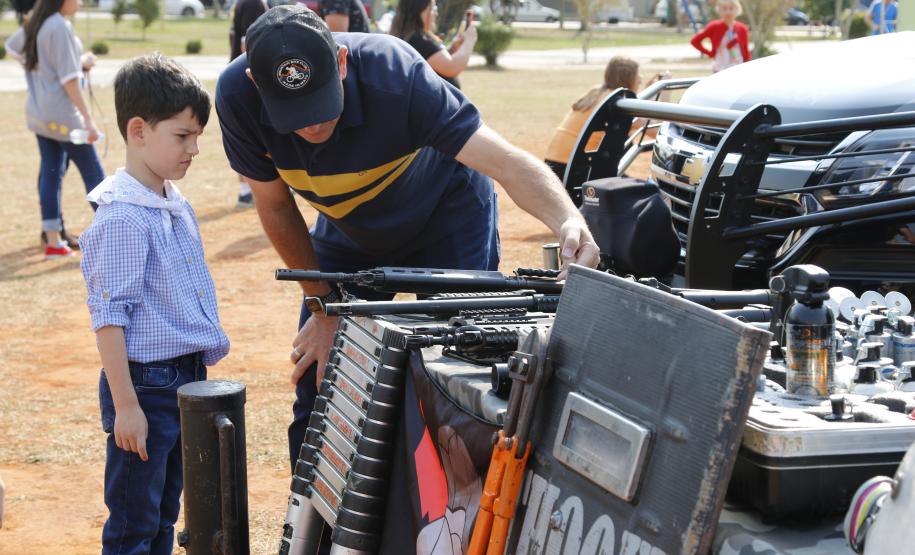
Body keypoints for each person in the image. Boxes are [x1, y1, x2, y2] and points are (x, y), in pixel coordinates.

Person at [214, 5, 599, 471]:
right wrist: (323, 305)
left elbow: (504, 163)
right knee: (323, 381)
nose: (312, 125)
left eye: (320, 101)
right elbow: (275, 205)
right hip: (347, 228)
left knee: (458, 372)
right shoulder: (236, 95)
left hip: (447, 218)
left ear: (341, 61)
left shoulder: (397, 76)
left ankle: (449, 527)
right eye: (293, 113)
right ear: (256, 82)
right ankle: (317, 534)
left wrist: (567, 220)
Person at [79, 53, 230, 555]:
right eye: (182, 136)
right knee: (134, 523)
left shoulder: (169, 199)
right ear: (138, 131)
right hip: (146, 385)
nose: (194, 149)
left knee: (164, 513)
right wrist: (126, 406)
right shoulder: (123, 216)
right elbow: (109, 318)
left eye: (197, 136)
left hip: (184, 378)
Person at [4, 0, 105, 259]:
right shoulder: (59, 26)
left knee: (51, 171)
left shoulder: (36, 23)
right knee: (93, 172)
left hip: (39, 112)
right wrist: (89, 119)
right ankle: (114, 233)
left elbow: (12, 47)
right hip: (64, 117)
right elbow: (70, 80)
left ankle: (52, 240)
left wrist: (42, 70)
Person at [544, 55, 669, 180]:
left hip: (553, 164)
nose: (640, 79)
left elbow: (640, 122)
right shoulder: (620, 105)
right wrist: (665, 95)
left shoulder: (596, 93)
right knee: (647, 192)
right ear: (629, 77)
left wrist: (651, 94)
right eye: (638, 75)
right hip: (576, 170)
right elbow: (658, 132)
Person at [228, 0, 268, 208]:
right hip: (249, 78)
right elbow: (249, 44)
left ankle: (245, 192)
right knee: (255, 138)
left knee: (244, 137)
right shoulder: (253, 3)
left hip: (239, 77)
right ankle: (249, 191)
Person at [390, 0, 476, 89]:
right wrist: (469, 40)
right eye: (433, 8)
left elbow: (436, 61)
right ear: (420, 10)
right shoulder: (419, 40)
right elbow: (452, 67)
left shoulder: (410, 37)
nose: (436, 13)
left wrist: (454, 48)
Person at [689, 0, 750, 73]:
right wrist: (709, 53)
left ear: (738, 9)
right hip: (720, 67)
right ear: (719, 10)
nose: (728, 12)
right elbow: (695, 41)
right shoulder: (714, 27)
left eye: (731, 8)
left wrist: (748, 64)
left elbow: (745, 50)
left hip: (738, 66)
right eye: (724, 9)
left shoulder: (742, 29)